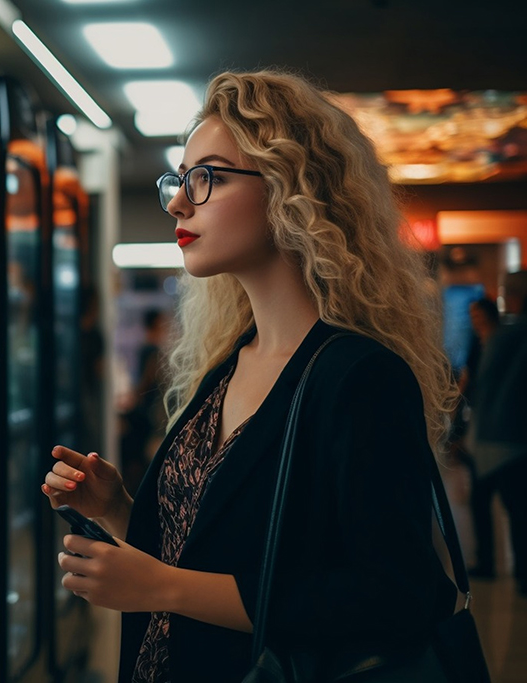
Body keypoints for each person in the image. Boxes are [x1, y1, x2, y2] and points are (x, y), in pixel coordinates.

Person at [41, 70, 462, 682]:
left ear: (291, 189)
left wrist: (166, 588)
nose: (179, 202)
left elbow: (397, 596)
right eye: (178, 181)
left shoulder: (359, 377)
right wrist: (117, 510)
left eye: (205, 177)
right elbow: (219, 555)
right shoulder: (229, 363)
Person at [467, 271, 527, 595]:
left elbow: (485, 389)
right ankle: (522, 574)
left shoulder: (503, 337)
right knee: (518, 510)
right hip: (517, 437)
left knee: (506, 507)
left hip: (496, 437)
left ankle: (495, 565)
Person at [453, 296, 502, 579]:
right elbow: (467, 381)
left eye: (478, 316)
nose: (475, 321)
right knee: (479, 499)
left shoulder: (501, 344)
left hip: (495, 430)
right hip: (479, 429)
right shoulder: (477, 344)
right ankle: (486, 561)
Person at [120, 308, 170, 496]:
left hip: (147, 408)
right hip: (150, 411)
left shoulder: (147, 348)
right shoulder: (152, 350)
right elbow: (147, 380)